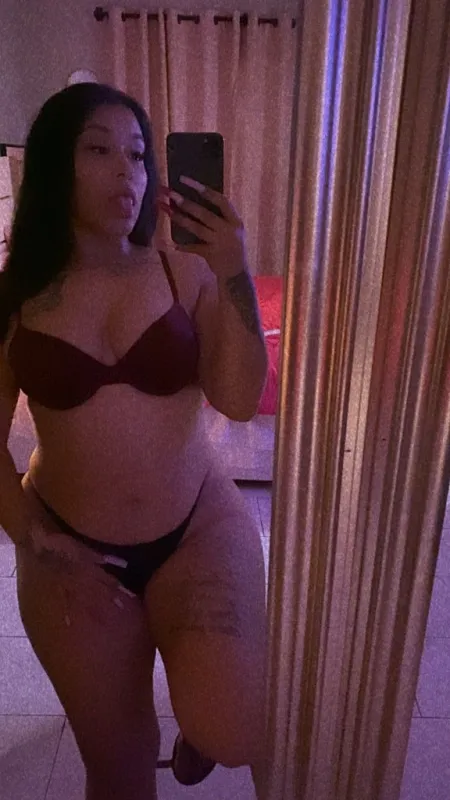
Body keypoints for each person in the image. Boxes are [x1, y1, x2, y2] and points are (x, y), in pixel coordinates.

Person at [0, 82, 269, 800]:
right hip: (74, 547)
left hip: (195, 527)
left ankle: (198, 727)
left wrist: (235, 272)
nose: (128, 170)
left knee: (235, 730)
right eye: (100, 150)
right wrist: (34, 538)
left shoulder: (183, 268)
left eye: (140, 154)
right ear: (55, 164)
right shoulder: (16, 295)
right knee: (118, 771)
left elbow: (239, 399)